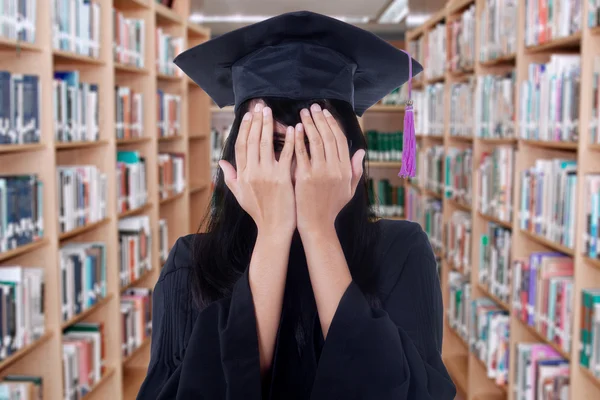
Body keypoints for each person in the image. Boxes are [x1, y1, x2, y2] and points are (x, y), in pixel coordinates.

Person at [137, 10, 456, 400]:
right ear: (235, 160)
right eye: (269, 145)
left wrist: (319, 230)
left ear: (353, 160)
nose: (294, 168)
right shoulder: (191, 262)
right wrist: (273, 232)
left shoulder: (401, 251)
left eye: (316, 146)